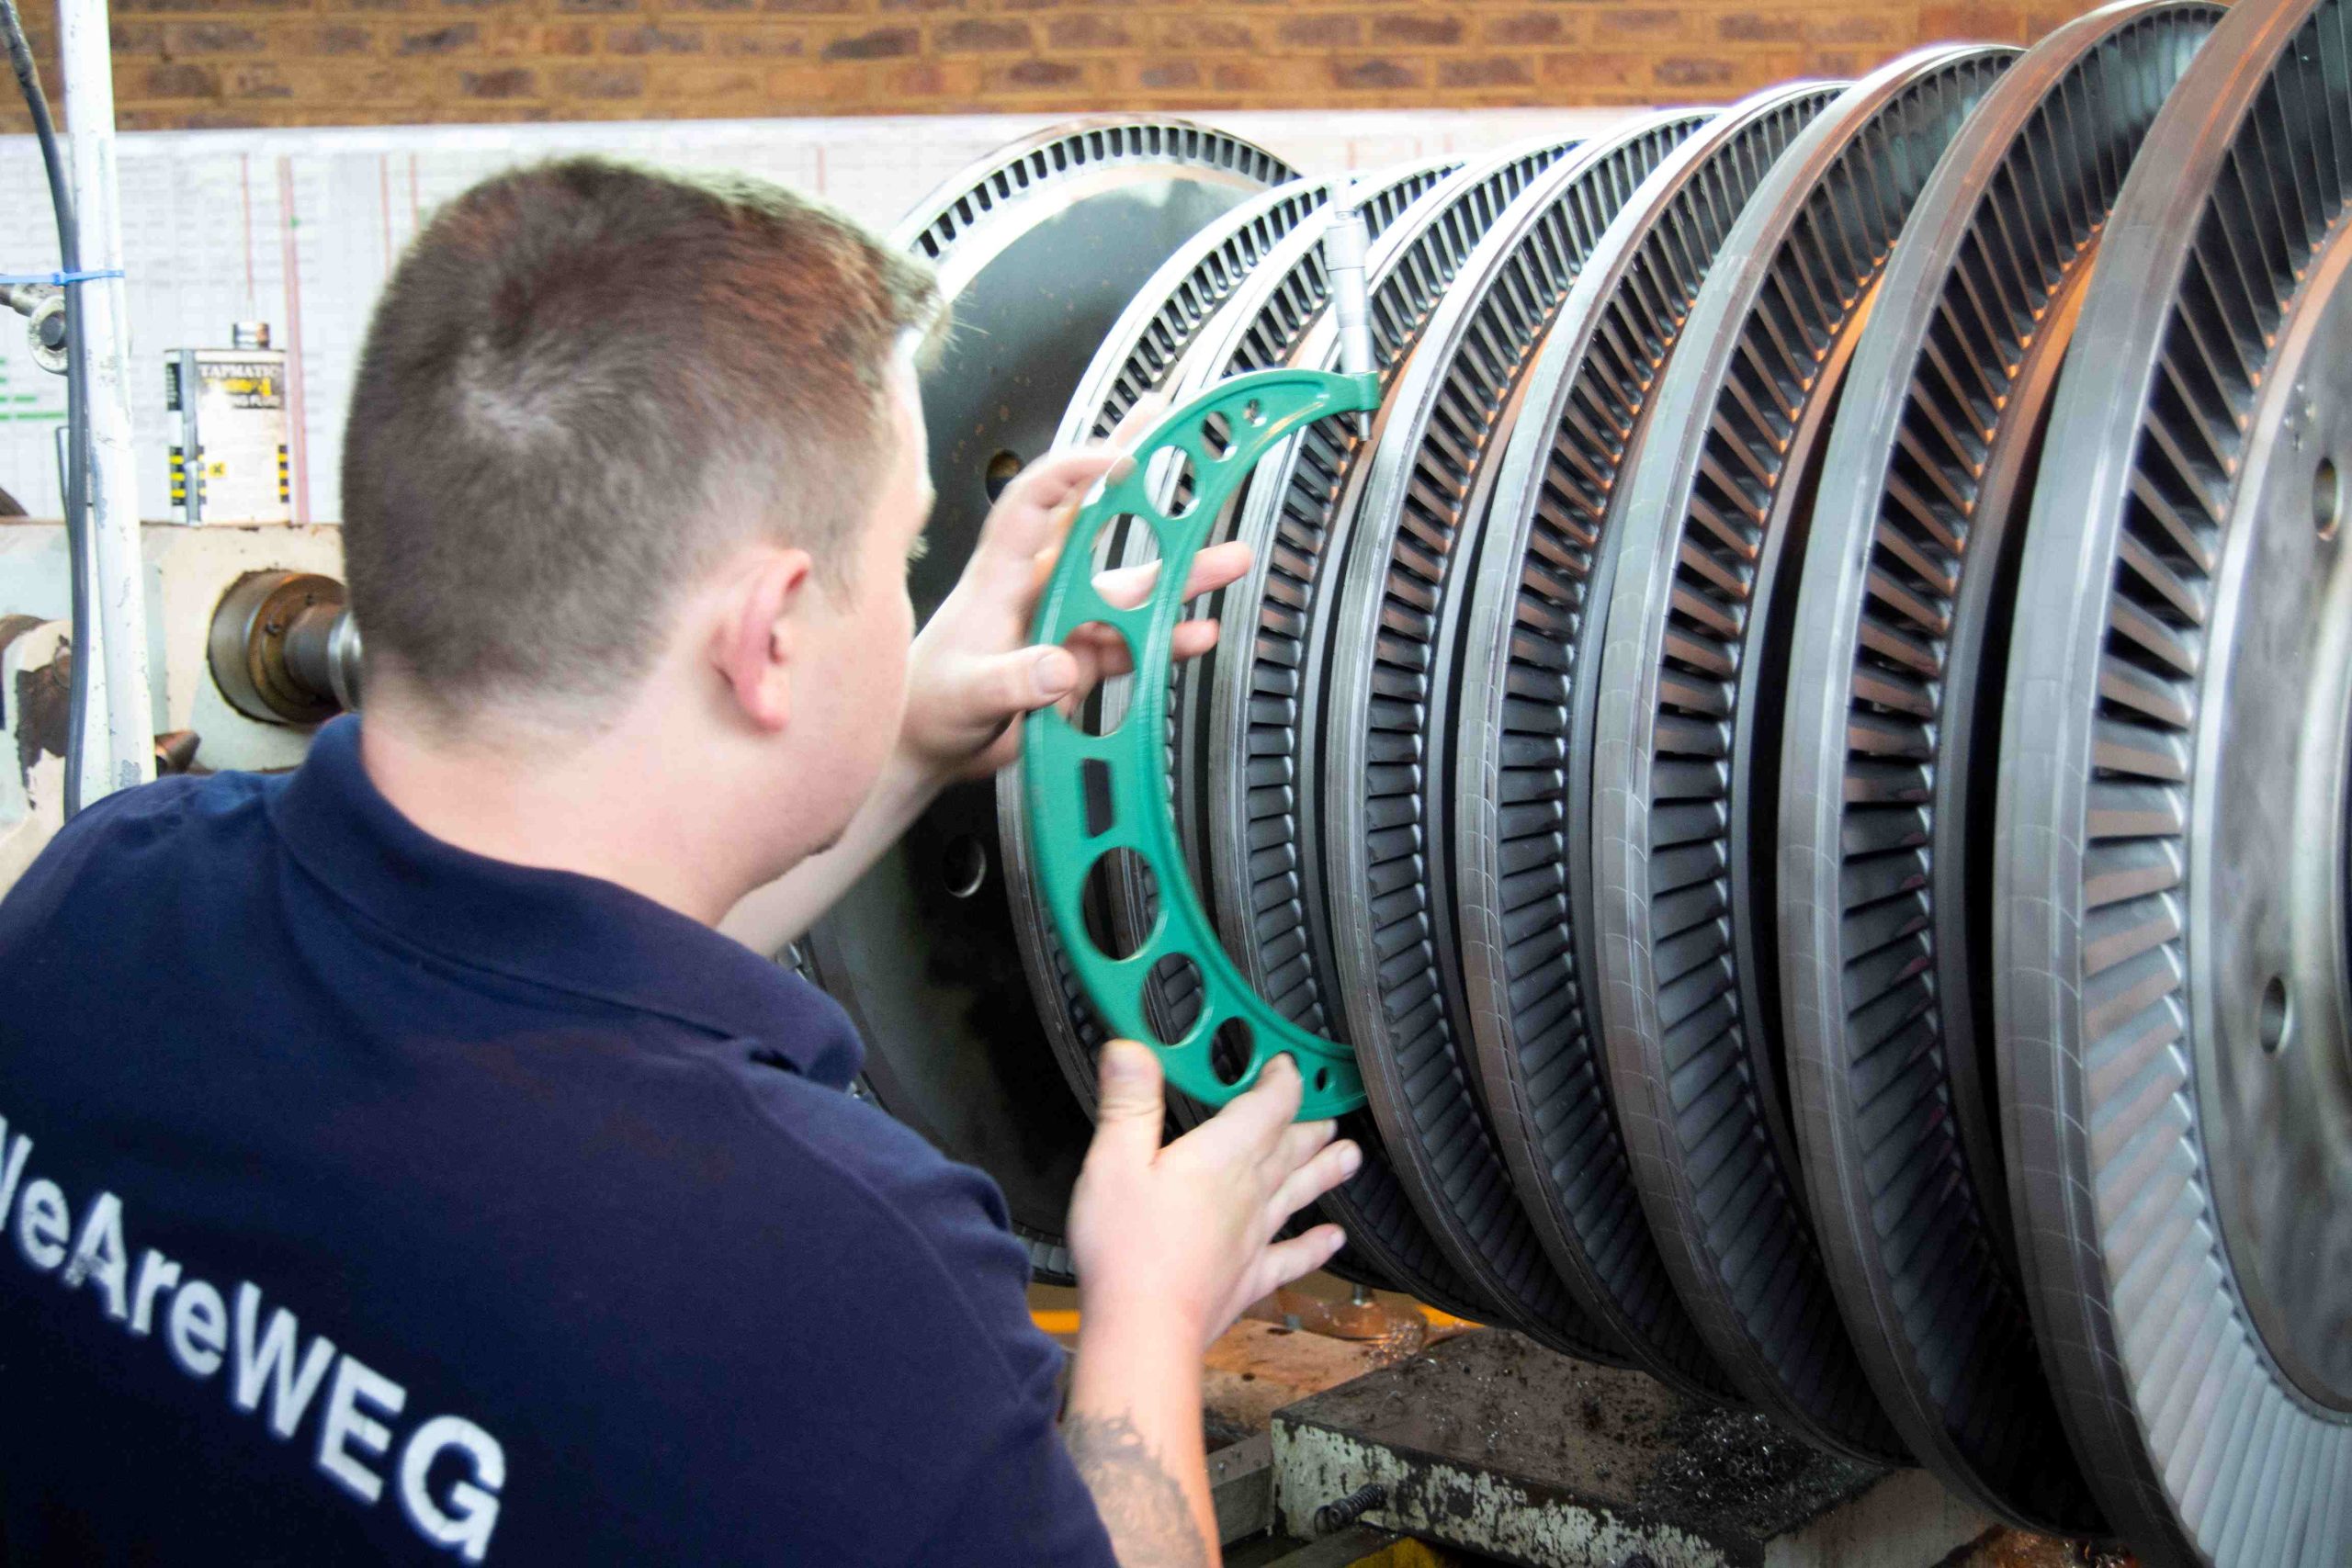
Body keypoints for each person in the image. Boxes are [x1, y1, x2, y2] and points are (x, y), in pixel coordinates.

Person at [0, 158, 1358, 1565]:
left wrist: (894, 745)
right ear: (768, 636)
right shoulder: (831, 1284)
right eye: (900, 565)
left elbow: (546, 972)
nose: (909, 617)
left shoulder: (98, 899)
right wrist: (1147, 1316)